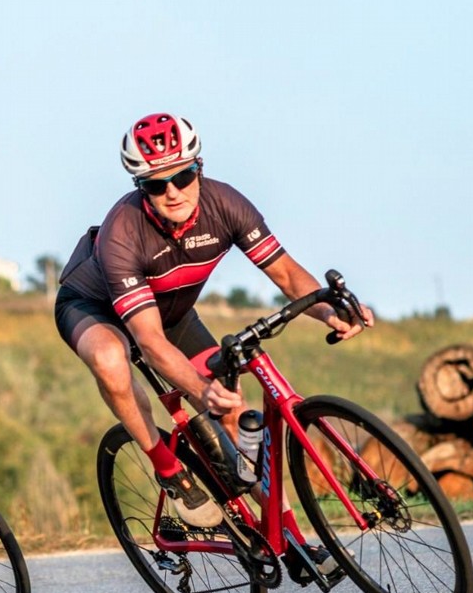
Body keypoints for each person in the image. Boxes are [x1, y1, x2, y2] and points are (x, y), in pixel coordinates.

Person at [55, 114, 373, 561]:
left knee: (233, 412)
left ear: (199, 168)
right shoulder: (122, 232)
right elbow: (149, 342)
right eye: (156, 185)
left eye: (183, 176)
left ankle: (290, 539)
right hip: (95, 310)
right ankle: (169, 469)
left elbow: (285, 273)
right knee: (111, 361)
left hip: (173, 314)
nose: (173, 192)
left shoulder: (226, 204)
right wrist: (199, 388)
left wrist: (328, 311)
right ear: (140, 187)